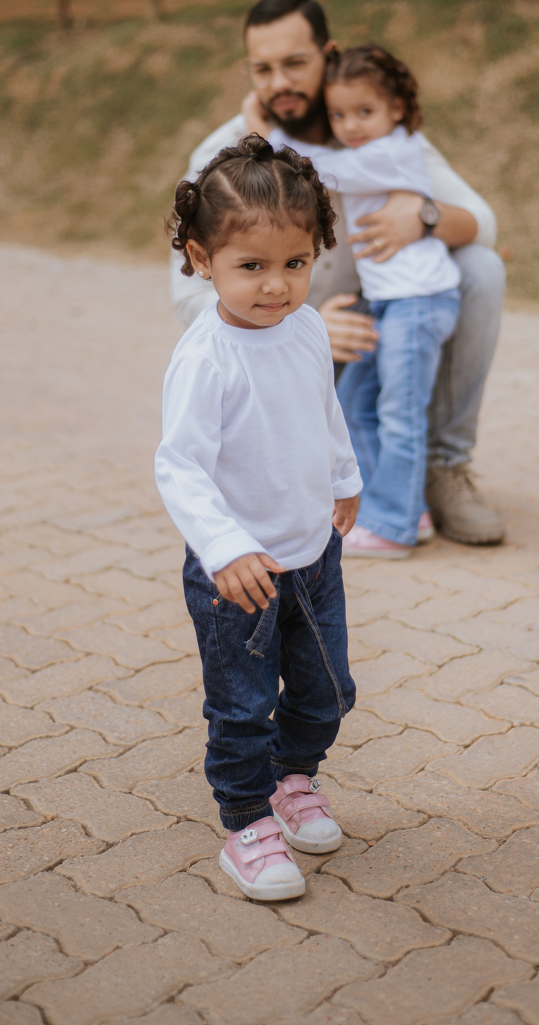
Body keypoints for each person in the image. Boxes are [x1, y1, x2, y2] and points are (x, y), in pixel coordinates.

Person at [172, 0, 506, 545]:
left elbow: (483, 223)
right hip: (282, 345)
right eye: (263, 69)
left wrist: (422, 216)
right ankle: (323, 482)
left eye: (295, 63)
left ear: (329, 55)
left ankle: (443, 467)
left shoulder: (366, 125)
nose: (280, 82)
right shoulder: (225, 157)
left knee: (481, 268)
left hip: (376, 330)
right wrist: (302, 323)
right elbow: (187, 296)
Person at [155, 134, 361, 902]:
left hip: (314, 555)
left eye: (295, 263)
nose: (277, 286)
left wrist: (344, 476)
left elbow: (323, 408)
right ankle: (246, 824)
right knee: (243, 709)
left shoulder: (306, 327)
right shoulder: (205, 358)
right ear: (202, 259)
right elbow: (180, 466)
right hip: (239, 576)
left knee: (328, 691)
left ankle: (292, 777)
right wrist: (223, 547)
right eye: (251, 266)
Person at [256, 44, 460, 559]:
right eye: (339, 115)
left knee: (399, 412)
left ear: (397, 108)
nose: (351, 126)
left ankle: (393, 529)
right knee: (354, 403)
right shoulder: (374, 146)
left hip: (418, 301)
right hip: (389, 301)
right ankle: (405, 507)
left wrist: (266, 133)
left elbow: (327, 170)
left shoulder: (396, 149)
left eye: (364, 111)